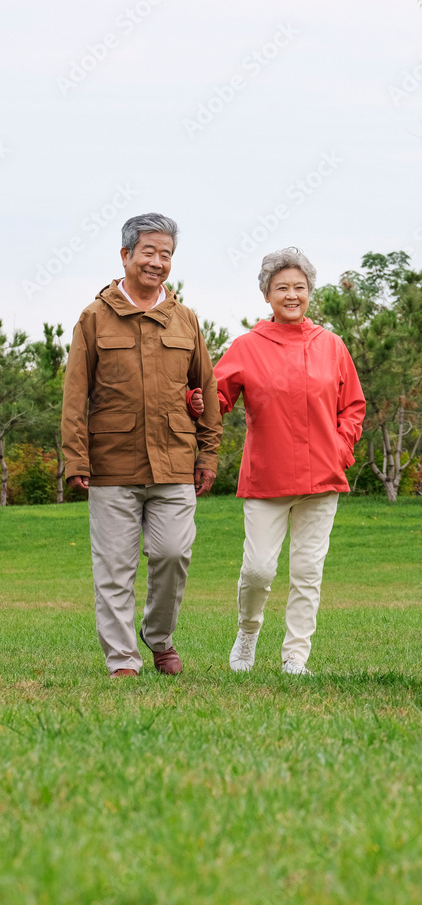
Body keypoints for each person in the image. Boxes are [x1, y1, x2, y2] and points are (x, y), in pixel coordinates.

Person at [61, 213, 222, 678]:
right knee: (114, 568)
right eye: (149, 251)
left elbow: (206, 391)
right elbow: (75, 395)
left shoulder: (185, 318)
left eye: (166, 254)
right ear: (126, 255)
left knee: (173, 554)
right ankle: (122, 660)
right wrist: (76, 456)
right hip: (112, 463)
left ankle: (159, 636)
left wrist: (207, 454)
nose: (157, 262)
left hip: (174, 461)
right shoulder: (94, 318)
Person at [208, 248, 366, 675]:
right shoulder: (246, 347)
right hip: (266, 479)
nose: (292, 295)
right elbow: (214, 398)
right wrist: (191, 399)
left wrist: (340, 448)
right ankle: (248, 631)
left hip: (323, 478)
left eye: (300, 287)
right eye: (282, 288)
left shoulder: (331, 345)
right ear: (266, 294)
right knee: (258, 570)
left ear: (310, 292)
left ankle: (295, 656)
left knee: (307, 572)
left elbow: (352, 406)